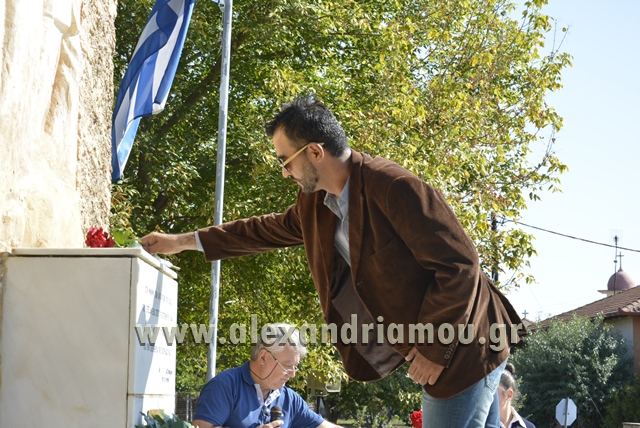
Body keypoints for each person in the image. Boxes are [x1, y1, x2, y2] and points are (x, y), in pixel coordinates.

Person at [141, 96, 523, 427]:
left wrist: (433, 350)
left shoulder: (393, 186)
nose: (284, 172)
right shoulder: (315, 204)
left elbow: (460, 266)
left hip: (465, 344)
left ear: (314, 152)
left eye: (285, 161)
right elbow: (261, 231)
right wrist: (182, 242)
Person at [192, 323, 341, 428]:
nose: (292, 374)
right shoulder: (224, 386)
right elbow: (201, 427)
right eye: (287, 366)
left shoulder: (290, 399)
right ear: (263, 357)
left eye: (295, 367)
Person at [498, 363, 535, 428]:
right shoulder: (481, 424)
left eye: (494, 394)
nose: (488, 399)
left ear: (509, 394)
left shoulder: (529, 427)